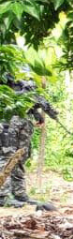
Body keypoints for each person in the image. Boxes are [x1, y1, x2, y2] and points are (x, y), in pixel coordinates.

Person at [0, 75, 56, 209]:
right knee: (7, 156)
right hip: (8, 119)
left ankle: (19, 194)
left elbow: (29, 103)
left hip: (24, 120)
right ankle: (2, 196)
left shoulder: (28, 79)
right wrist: (24, 94)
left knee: (21, 157)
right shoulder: (7, 71)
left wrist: (36, 111)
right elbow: (5, 95)